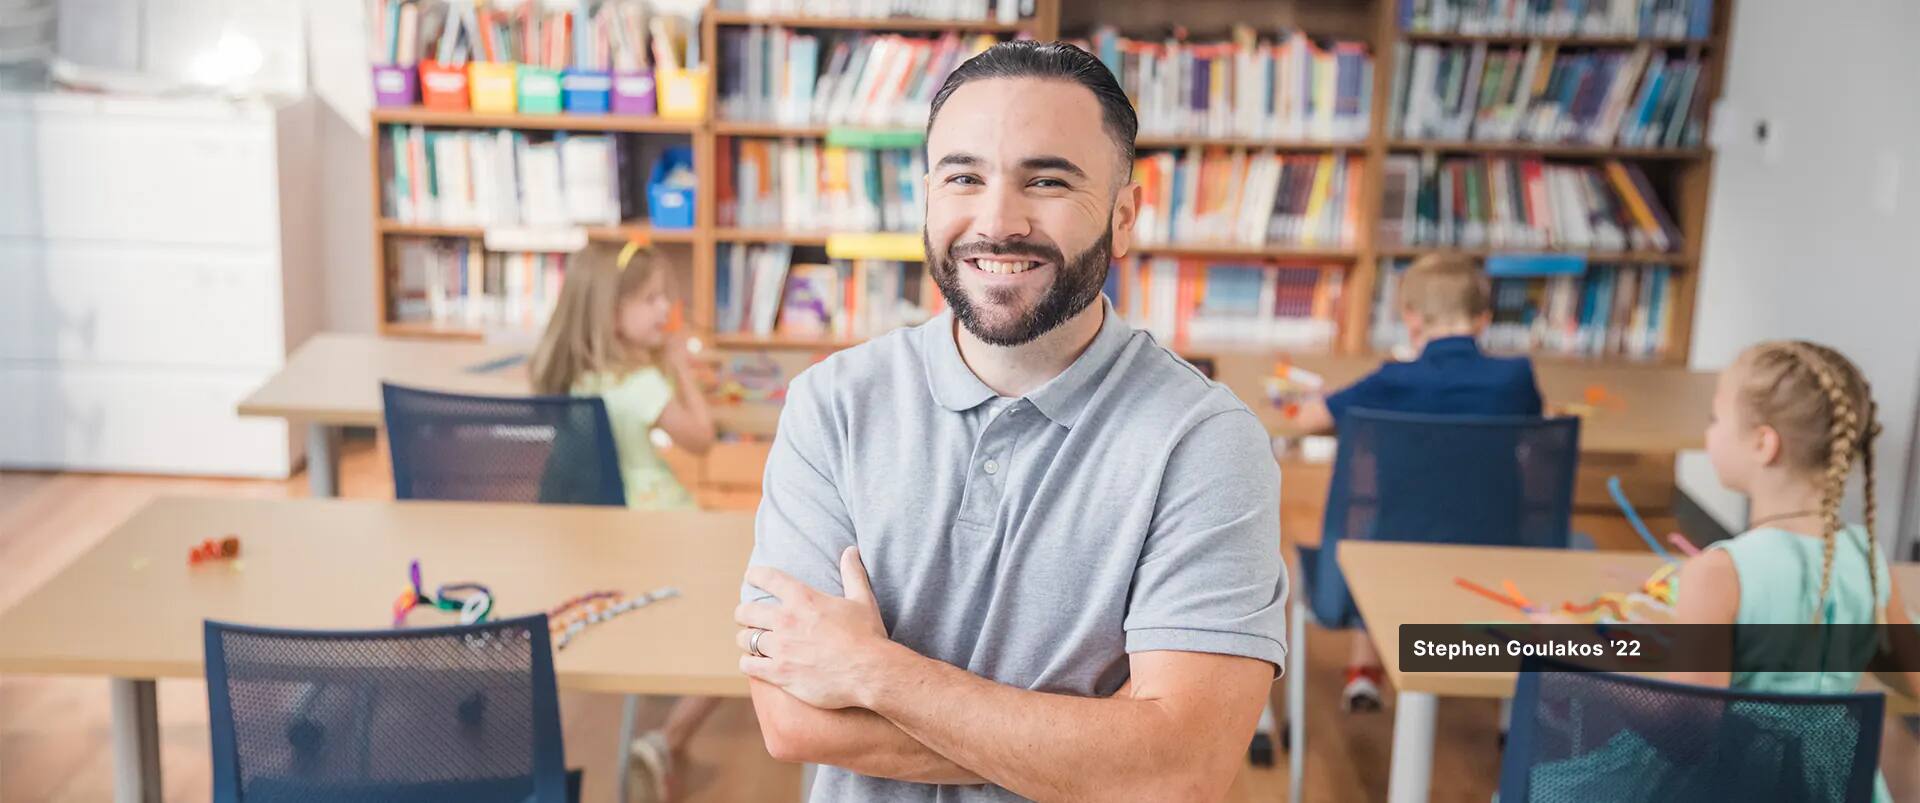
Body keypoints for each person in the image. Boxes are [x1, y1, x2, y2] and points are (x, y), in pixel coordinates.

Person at [734, 41, 1287, 802]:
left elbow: (1181, 770)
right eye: (964, 177)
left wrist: (874, 672)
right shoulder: (831, 403)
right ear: (926, 197)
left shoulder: (1206, 442)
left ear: (1123, 217)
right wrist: (1102, 748)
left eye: (1048, 179)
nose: (998, 222)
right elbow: (794, 721)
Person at [1664, 340, 1918, 801]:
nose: (1709, 433)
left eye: (1716, 418)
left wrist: (1584, 658)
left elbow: (1688, 737)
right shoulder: (1867, 557)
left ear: (1763, 443)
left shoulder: (1718, 573)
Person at [1292, 253, 1543, 711]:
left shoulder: (1391, 380)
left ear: (1411, 320)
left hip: (1395, 554)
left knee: (1375, 532)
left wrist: (1320, 397)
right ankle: (1511, 702)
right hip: (1496, 554)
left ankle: (1364, 674)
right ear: (1484, 319)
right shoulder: (1516, 378)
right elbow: (1532, 426)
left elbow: (1310, 419)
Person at [529, 241, 719, 802]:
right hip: (659, 528)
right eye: (651, 300)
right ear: (611, 312)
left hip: (596, 535)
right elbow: (702, 440)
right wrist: (681, 370)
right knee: (752, 621)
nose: (665, 310)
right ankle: (666, 739)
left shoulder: (571, 376)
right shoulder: (640, 386)